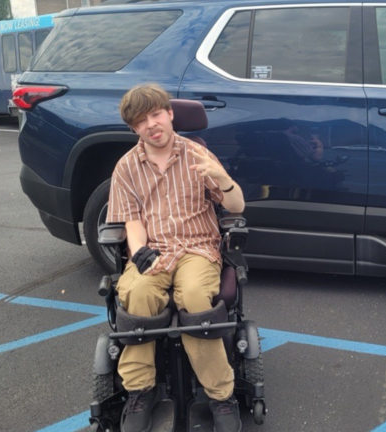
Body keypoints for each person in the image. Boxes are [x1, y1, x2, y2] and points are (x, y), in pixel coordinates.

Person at [106, 83, 245, 432]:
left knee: (196, 296)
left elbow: (237, 206)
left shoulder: (198, 155)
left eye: (156, 114)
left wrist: (223, 179)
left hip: (197, 247)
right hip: (154, 249)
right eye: (141, 121)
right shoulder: (126, 167)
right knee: (137, 293)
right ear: (134, 128)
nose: (151, 124)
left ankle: (220, 395)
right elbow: (132, 221)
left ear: (169, 114)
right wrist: (140, 251)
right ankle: (141, 391)